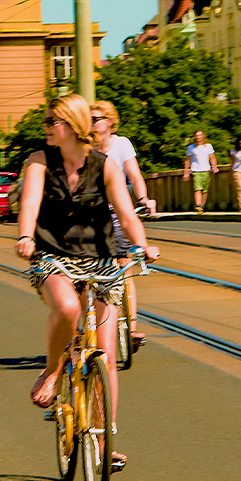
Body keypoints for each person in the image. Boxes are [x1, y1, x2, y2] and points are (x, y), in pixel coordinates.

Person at [17, 94, 158, 471]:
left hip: (101, 260)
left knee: (107, 356)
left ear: (74, 126)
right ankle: (51, 370)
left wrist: (143, 245)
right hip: (52, 254)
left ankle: (103, 435)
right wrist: (26, 235)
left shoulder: (106, 165)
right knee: (65, 307)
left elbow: (126, 215)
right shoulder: (38, 162)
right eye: (46, 122)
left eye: (53, 121)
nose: (46, 127)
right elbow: (29, 204)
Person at [91, 100, 154, 347]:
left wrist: (143, 198)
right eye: (90, 119)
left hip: (119, 212)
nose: (92, 123)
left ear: (109, 121)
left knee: (125, 266)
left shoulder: (121, 144)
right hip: (93, 215)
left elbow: (135, 174)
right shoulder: (85, 146)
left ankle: (132, 327)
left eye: (96, 118)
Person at [182, 130, 218, 214]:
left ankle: (202, 206)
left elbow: (212, 157)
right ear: (195, 137)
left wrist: (214, 167)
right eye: (197, 136)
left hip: (206, 170)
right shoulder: (191, 147)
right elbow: (187, 160)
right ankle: (198, 205)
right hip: (196, 170)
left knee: (205, 190)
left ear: (203, 136)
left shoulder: (208, 146)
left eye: (200, 135)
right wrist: (186, 172)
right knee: (197, 188)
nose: (198, 137)